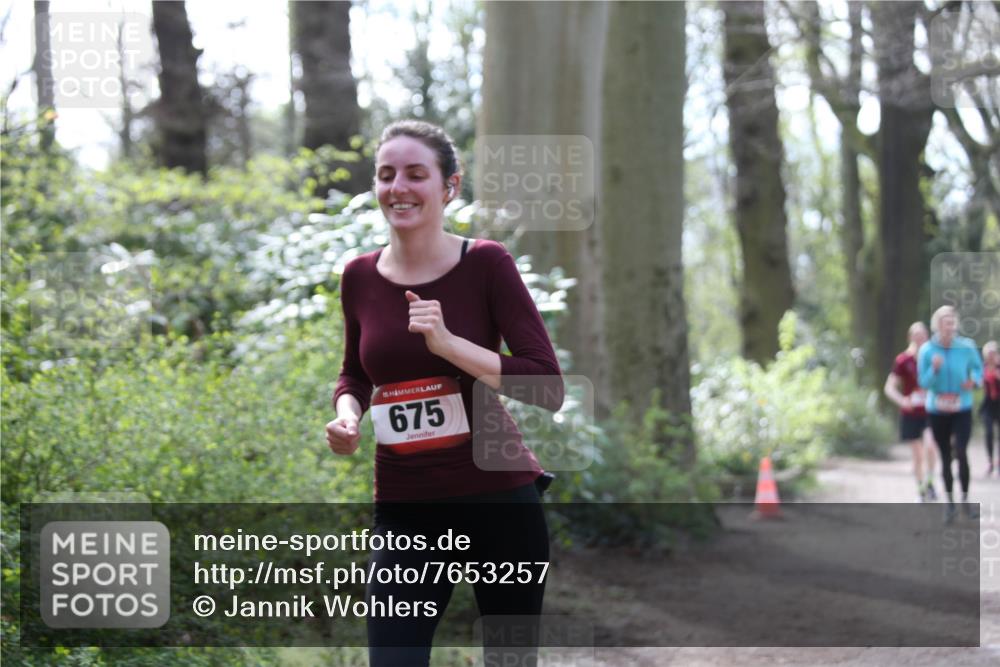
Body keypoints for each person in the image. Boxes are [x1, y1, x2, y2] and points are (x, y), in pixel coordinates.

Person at [325, 120, 564, 667]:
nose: (398, 187)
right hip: (407, 506)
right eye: (386, 175)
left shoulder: (485, 263)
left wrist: (450, 344)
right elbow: (354, 376)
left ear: (449, 187)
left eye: (415, 174)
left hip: (498, 499)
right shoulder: (359, 276)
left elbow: (545, 384)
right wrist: (348, 417)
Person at [918, 305, 984, 523]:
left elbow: (978, 369)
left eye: (953, 322)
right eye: (946, 322)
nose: (950, 326)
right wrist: (934, 369)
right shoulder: (927, 350)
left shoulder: (966, 347)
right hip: (937, 410)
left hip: (961, 407)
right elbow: (923, 382)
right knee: (945, 456)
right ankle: (950, 504)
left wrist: (973, 380)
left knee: (962, 451)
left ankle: (965, 500)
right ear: (938, 325)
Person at [884, 322, 938, 501]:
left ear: (927, 338)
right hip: (911, 414)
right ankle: (921, 489)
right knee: (917, 455)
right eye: (916, 336)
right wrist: (902, 401)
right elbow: (889, 387)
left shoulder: (933, 358)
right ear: (910, 338)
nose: (920, 340)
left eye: (923, 336)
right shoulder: (903, 360)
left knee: (930, 448)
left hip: (930, 412)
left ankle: (930, 482)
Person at [981, 341, 1000, 477]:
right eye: (989, 354)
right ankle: (990, 461)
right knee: (988, 432)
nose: (992, 356)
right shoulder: (983, 368)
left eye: (994, 353)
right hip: (988, 404)